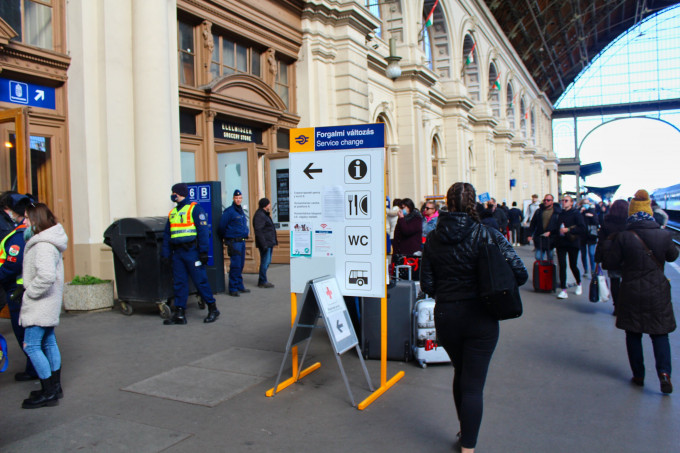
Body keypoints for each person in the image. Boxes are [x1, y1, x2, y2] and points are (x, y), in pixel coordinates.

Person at [421, 182, 528, 452]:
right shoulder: (486, 233)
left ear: (448, 202)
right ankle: (468, 444)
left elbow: (427, 285)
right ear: (473, 203)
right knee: (473, 383)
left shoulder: (433, 237)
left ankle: (464, 430)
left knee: (461, 372)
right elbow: (520, 272)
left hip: (447, 314)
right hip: (481, 315)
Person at [603, 189, 678, 394]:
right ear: (650, 213)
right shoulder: (663, 234)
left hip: (631, 289)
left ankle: (638, 374)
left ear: (632, 214)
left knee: (633, 333)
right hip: (658, 291)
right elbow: (672, 256)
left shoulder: (624, 236)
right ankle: (664, 374)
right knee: (660, 334)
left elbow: (611, 262)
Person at [18, 203, 68, 408]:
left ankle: (48, 392)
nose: (24, 222)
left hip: (40, 303)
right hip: (48, 302)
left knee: (31, 346)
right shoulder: (49, 241)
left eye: (28, 219)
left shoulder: (43, 245)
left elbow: (46, 276)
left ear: (36, 221)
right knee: (48, 343)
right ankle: (54, 387)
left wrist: (29, 291)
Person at [161, 183, 219, 324]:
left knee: (200, 281)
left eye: (174, 192)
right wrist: (166, 254)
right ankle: (180, 313)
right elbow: (167, 235)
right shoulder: (173, 213)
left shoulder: (194, 209)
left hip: (192, 252)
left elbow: (203, 232)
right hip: (178, 253)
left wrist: (204, 252)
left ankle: (213, 308)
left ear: (180, 193)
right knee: (179, 283)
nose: (172, 195)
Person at [0, 193, 40, 381]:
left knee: (26, 335)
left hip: (18, 291)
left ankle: (42, 377)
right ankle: (37, 371)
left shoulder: (19, 235)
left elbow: (12, 264)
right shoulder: (36, 229)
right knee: (37, 336)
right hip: (26, 289)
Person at [594, 199, 628, 315]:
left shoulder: (606, 222)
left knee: (615, 281)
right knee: (627, 282)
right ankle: (626, 306)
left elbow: (601, 242)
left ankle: (617, 307)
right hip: (627, 257)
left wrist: (597, 259)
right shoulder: (629, 224)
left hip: (612, 257)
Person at [219, 189, 250, 297]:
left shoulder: (240, 211)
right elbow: (222, 226)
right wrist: (227, 237)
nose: (238, 200)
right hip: (234, 242)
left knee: (240, 265)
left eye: (240, 198)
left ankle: (239, 286)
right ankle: (232, 288)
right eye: (236, 198)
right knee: (235, 265)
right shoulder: (229, 211)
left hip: (241, 241)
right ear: (233, 198)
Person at [554, 195, 586, 299]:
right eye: (562, 200)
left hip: (572, 242)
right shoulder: (560, 214)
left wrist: (568, 230)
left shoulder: (576, 214)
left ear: (571, 203)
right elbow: (556, 226)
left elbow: (582, 228)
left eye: (566, 201)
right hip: (561, 243)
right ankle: (563, 289)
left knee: (573, 265)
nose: (564, 202)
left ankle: (579, 283)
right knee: (562, 265)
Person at [527, 194, 561, 262]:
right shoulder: (538, 211)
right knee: (538, 257)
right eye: (544, 200)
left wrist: (551, 232)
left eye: (548, 200)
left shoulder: (557, 212)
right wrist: (530, 234)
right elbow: (533, 223)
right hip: (540, 238)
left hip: (551, 239)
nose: (546, 202)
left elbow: (559, 225)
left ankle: (550, 271)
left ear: (552, 201)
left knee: (550, 258)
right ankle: (540, 271)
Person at [253, 197, 277, 288]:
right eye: (268, 204)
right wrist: (264, 244)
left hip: (268, 242)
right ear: (265, 205)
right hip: (265, 243)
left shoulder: (264, 214)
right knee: (265, 262)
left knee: (267, 262)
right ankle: (263, 281)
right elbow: (258, 231)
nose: (270, 205)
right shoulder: (260, 215)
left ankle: (262, 280)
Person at [578, 198, 599, 277]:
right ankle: (586, 270)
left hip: (591, 235)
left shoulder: (592, 211)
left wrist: (591, 216)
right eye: (584, 203)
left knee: (591, 253)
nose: (586, 205)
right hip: (582, 235)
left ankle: (593, 271)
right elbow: (578, 222)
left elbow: (596, 222)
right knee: (583, 254)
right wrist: (581, 212)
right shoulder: (579, 212)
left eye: (587, 203)